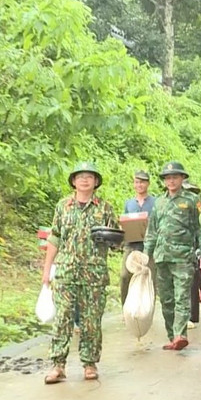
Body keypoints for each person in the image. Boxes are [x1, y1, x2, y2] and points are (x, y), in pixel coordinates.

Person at [41, 162, 118, 384]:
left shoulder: (104, 208)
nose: (85, 180)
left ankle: (89, 363)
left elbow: (116, 240)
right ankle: (58, 364)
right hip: (66, 270)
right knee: (63, 317)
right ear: (74, 181)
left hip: (94, 272)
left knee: (91, 319)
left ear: (96, 182)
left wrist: (111, 240)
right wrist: (47, 269)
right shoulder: (62, 206)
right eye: (80, 176)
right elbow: (54, 238)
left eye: (89, 177)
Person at [145, 161, 201, 351]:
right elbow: (152, 231)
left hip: (183, 256)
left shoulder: (192, 201)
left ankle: (180, 334)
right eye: (168, 178)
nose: (171, 181)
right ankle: (172, 336)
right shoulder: (158, 202)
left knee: (182, 296)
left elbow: (200, 228)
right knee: (167, 299)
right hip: (162, 257)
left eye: (175, 177)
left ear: (182, 179)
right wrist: (146, 255)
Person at [120, 170, 156, 306]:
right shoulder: (129, 203)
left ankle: (148, 308)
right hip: (131, 244)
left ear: (148, 184)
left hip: (149, 245)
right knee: (125, 276)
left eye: (143, 182)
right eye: (137, 182)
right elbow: (124, 221)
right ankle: (125, 307)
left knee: (150, 278)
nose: (140, 185)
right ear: (134, 184)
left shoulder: (155, 202)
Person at [182, 180, 201, 329]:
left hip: (193, 249)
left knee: (192, 282)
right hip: (178, 248)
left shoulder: (199, 207)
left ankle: (192, 315)